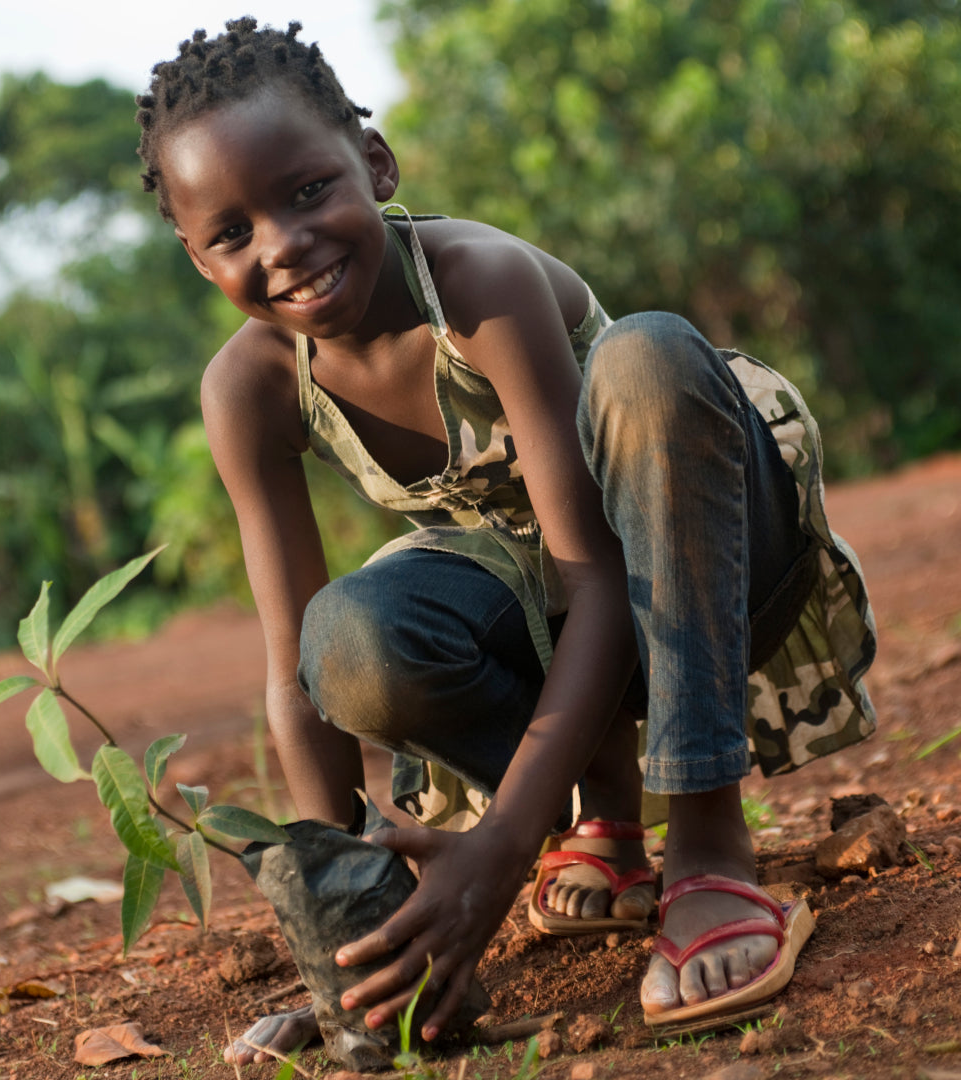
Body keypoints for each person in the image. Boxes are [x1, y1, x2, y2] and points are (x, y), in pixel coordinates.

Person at [134, 17, 877, 1063]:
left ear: (375, 162)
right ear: (194, 253)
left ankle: (710, 841)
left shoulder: (478, 284)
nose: (283, 245)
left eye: (308, 191)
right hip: (551, 609)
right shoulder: (247, 387)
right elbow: (293, 683)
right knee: (341, 636)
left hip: (704, 569)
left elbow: (602, 572)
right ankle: (605, 826)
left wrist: (497, 849)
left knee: (648, 357)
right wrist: (349, 942)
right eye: (233, 232)